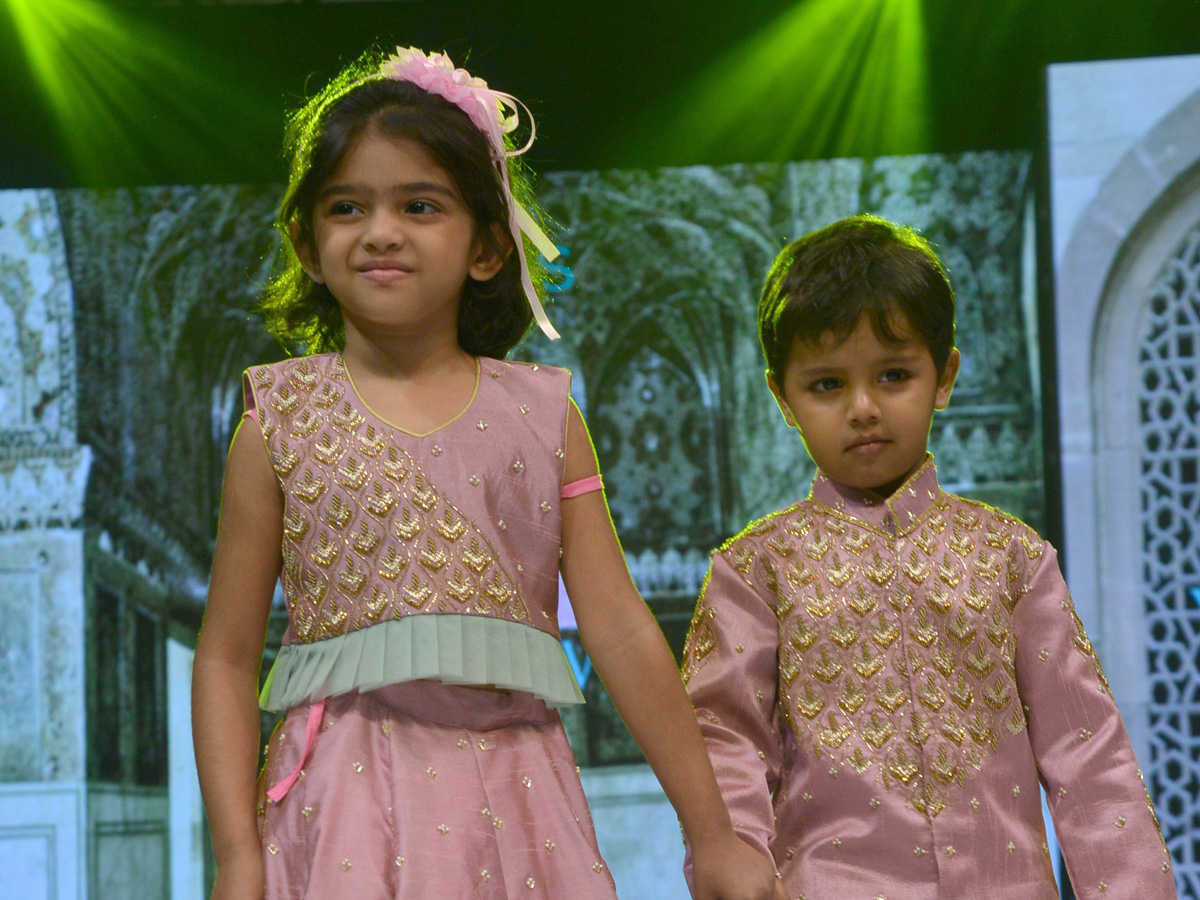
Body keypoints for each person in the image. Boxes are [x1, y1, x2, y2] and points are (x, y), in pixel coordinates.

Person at [191, 46, 781, 900]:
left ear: (489, 246)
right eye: (347, 206)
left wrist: (714, 835)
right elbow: (225, 656)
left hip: (518, 802)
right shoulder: (276, 422)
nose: (380, 231)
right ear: (306, 243)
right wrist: (237, 857)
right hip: (337, 811)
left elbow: (618, 629)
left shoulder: (542, 416)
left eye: (420, 205)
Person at [681, 215, 1178, 900]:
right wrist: (738, 870)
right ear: (782, 397)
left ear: (943, 377)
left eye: (893, 375)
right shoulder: (756, 572)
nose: (862, 408)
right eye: (827, 385)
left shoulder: (1011, 557)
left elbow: (1086, 751)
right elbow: (725, 748)